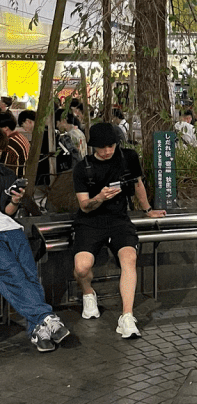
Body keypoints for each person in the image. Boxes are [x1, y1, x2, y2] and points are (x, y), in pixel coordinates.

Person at [72, 122, 166, 338]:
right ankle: (88, 293)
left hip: (119, 219)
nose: (107, 152)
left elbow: (138, 184)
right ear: (93, 146)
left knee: (129, 257)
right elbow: (84, 206)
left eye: (111, 146)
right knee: (82, 268)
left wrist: (148, 209)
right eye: (102, 148)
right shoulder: (82, 168)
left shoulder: (128, 158)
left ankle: (126, 316)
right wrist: (100, 197)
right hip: (91, 221)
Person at [0, 166, 69, 352]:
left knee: (30, 275)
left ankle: (38, 330)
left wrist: (15, 200)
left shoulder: (5, 174)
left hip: (10, 229)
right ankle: (46, 317)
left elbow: (7, 211)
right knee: (12, 274)